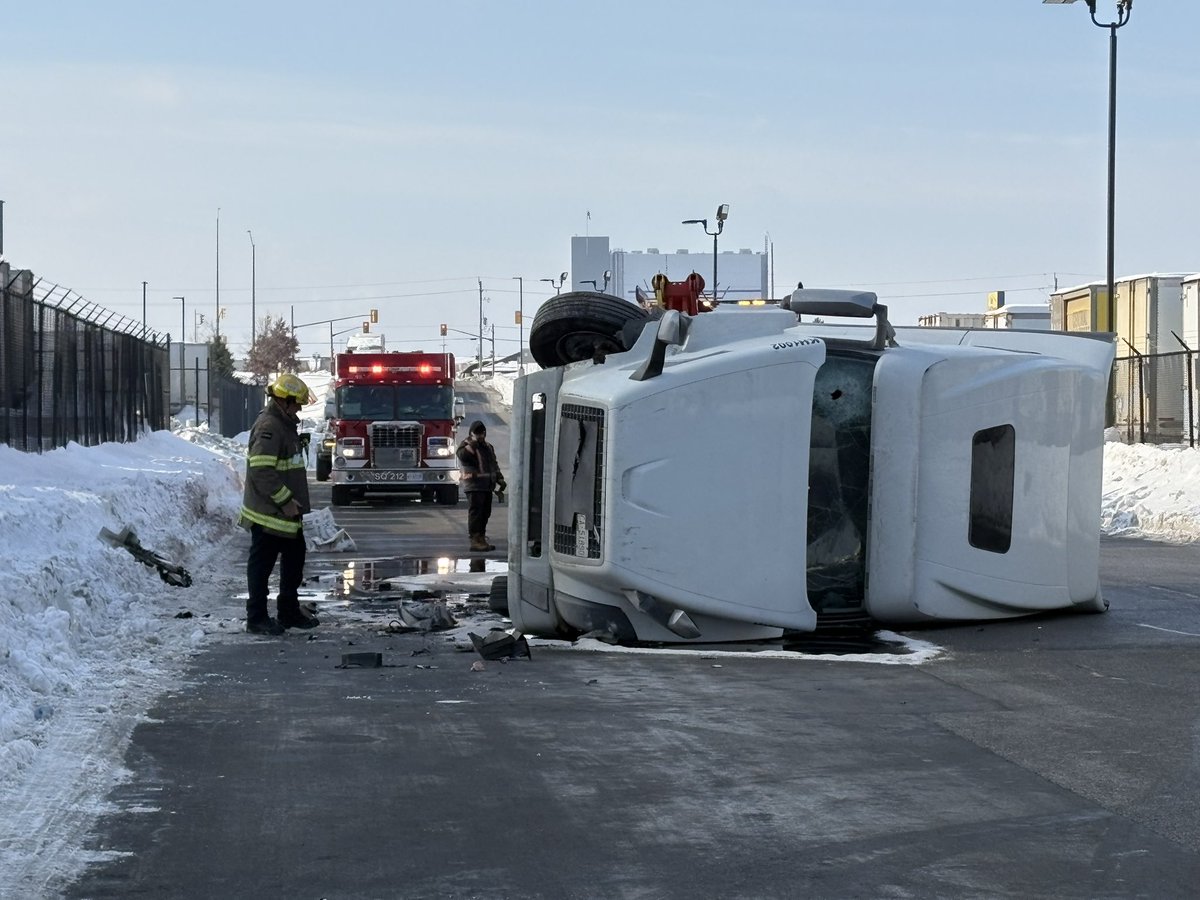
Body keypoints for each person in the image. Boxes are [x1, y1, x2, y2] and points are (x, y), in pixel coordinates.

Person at [239, 373, 319, 635]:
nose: (299, 409)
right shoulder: (270, 427)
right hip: (269, 514)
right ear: (284, 401)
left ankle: (288, 611)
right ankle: (257, 618)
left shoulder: (283, 424)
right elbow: (261, 470)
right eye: (297, 404)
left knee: (294, 560)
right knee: (261, 567)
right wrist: (284, 500)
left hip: (286, 514)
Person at [456, 420, 506, 552]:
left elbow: (493, 464)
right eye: (477, 433)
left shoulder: (488, 447)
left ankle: (481, 538)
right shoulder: (466, 446)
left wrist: (499, 478)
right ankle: (475, 540)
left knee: (485, 513)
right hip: (474, 485)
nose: (480, 436)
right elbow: (462, 456)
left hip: (487, 485)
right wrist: (473, 443)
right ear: (472, 433)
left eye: (482, 433)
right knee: (476, 513)